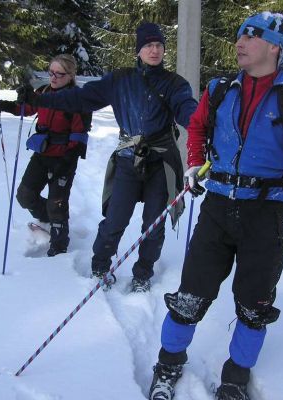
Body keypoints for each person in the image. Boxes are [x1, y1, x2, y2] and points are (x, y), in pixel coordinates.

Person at [148, 12, 283, 400]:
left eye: (251, 36)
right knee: (191, 294)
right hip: (217, 207)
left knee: (254, 304)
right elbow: (197, 127)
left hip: (265, 215)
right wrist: (196, 161)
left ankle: (235, 377)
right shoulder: (220, 89)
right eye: (239, 35)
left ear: (274, 46)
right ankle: (167, 364)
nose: (240, 42)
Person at [16, 22, 198, 292]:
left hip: (161, 161)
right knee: (115, 218)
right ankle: (100, 266)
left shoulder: (174, 84)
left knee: (153, 223)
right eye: (148, 45)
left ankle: (143, 274)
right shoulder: (120, 80)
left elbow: (188, 111)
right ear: (138, 49)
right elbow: (77, 99)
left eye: (159, 45)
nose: (154, 50)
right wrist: (37, 100)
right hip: (127, 157)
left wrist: (202, 124)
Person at [0, 54, 92, 257]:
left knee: (57, 202)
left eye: (59, 74)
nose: (53, 78)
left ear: (70, 75)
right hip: (43, 153)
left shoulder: (77, 100)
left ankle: (60, 243)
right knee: (25, 196)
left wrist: (68, 159)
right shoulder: (44, 91)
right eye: (51, 72)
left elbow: (80, 135)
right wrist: (5, 105)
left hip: (64, 157)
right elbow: (27, 108)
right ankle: (49, 218)